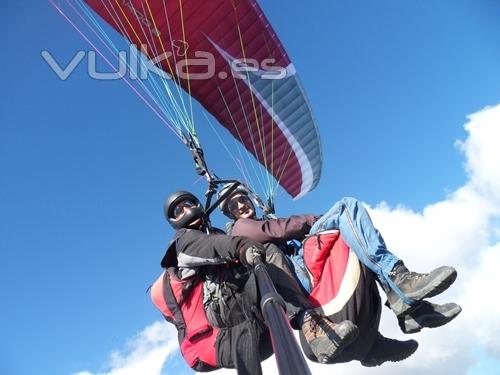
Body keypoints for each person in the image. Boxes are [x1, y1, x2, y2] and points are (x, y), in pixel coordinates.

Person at [217, 184, 462, 335]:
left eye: (243, 199)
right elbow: (279, 230)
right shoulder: (241, 228)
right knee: (347, 207)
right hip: (298, 278)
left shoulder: (254, 224)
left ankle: (409, 307)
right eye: (234, 204)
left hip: (303, 268)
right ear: (228, 212)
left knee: (354, 239)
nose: (241, 205)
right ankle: (400, 280)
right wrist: (316, 220)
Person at [159, 190, 359, 375]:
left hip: (255, 330)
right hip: (224, 333)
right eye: (179, 210)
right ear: (173, 220)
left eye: (189, 204)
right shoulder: (182, 242)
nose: (186, 210)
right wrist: (242, 247)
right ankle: (311, 326)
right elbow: (212, 246)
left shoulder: (215, 232)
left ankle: (366, 345)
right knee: (268, 250)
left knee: (267, 252)